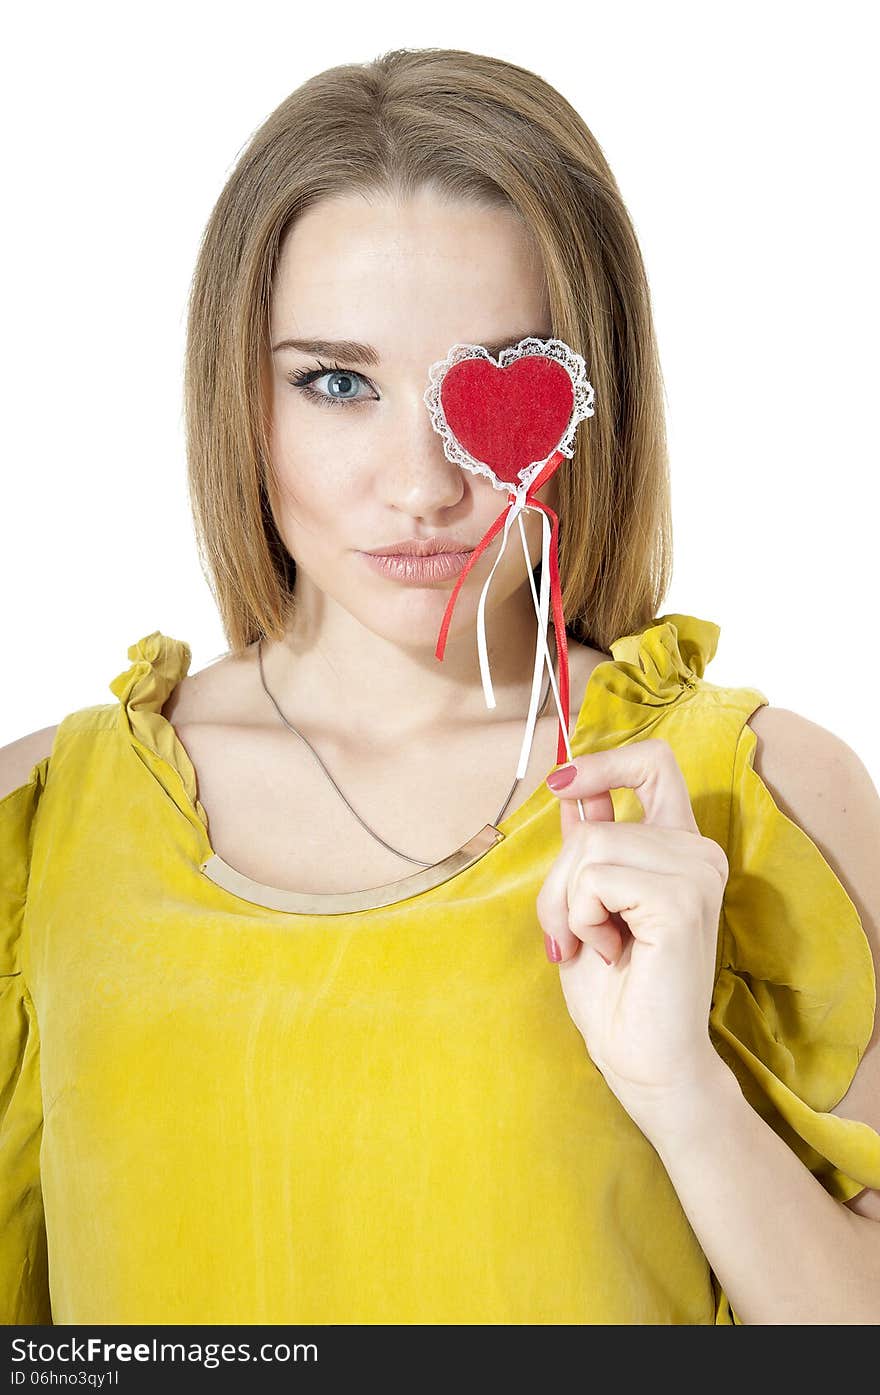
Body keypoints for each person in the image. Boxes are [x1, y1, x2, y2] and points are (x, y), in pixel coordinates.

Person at [2, 46, 879, 1328]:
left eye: (492, 386)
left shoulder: (755, 800)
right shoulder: (35, 824)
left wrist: (683, 1093)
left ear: (591, 402)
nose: (420, 486)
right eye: (337, 383)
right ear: (238, 398)